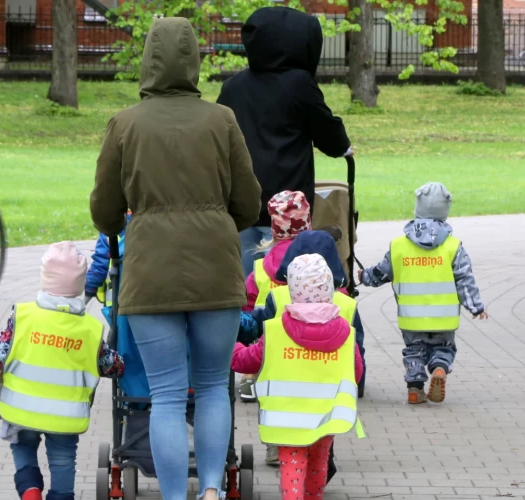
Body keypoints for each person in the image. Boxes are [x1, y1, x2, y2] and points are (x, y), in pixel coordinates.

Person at [89, 17, 262, 500]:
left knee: (165, 395)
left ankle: (172, 496)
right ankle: (210, 488)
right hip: (215, 272)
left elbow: (104, 208)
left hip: (150, 274)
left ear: (148, 60)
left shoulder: (124, 124)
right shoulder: (221, 120)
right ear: (193, 61)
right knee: (210, 386)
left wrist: (122, 223)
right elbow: (249, 202)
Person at [0, 241, 125, 500]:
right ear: (81, 285)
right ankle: (60, 495)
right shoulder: (90, 330)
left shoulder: (24, 317)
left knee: (22, 445)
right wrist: (121, 366)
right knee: (63, 460)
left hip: (21, 408)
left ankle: (30, 491)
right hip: (66, 415)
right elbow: (109, 364)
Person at [216, 6, 353, 277]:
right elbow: (327, 132)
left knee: (245, 285)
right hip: (285, 209)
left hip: (241, 204)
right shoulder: (298, 84)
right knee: (283, 282)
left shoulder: (234, 87)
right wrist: (343, 147)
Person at [232, 254, 364, 500]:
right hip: (328, 414)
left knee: (293, 464)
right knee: (318, 462)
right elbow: (356, 372)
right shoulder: (346, 333)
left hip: (287, 416)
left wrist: (232, 348)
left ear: (292, 290)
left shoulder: (276, 330)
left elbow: (248, 360)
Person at [359, 182, 487, 404]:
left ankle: (415, 389)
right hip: (444, 318)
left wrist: (364, 277)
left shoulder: (399, 245)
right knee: (444, 347)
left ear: (417, 208)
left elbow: (383, 271)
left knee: (414, 351)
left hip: (411, 318)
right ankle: (439, 369)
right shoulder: (453, 246)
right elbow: (464, 278)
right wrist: (475, 306)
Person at [238, 190, 312, 403]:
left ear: (274, 230)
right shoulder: (315, 263)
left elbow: (247, 301)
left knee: (254, 333)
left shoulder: (261, 267)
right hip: (303, 336)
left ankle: (250, 375)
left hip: (267, 335)